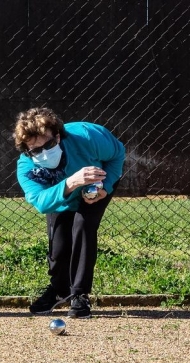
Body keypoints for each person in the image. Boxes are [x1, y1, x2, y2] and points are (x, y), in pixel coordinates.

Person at [13, 107, 125, 319]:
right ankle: (58, 290)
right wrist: (71, 182)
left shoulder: (88, 136)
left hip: (93, 188)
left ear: (57, 135)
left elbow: (118, 153)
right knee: (59, 242)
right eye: (36, 150)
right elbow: (41, 202)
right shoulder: (26, 167)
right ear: (27, 150)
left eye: (49, 144)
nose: (44, 153)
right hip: (61, 194)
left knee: (83, 225)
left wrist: (106, 187)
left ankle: (79, 294)